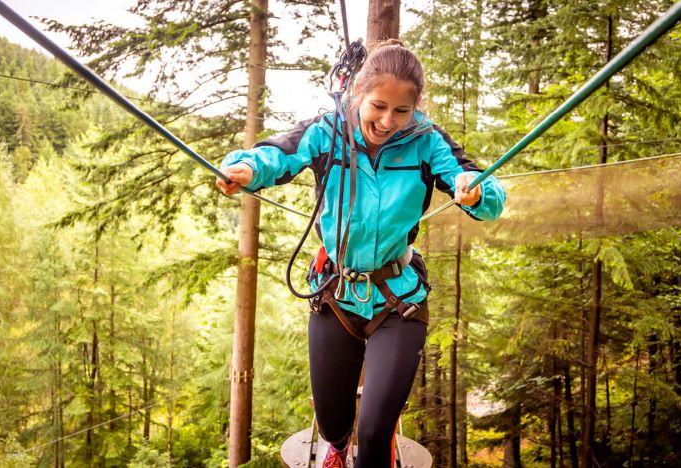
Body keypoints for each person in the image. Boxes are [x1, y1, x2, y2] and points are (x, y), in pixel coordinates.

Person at [216, 39, 505, 468]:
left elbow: (479, 183)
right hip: (336, 293)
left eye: (401, 111)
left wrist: (477, 191)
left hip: (398, 300)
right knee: (335, 423)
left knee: (373, 432)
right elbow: (276, 155)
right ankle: (335, 446)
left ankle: (375, 449)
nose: (388, 121)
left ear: (416, 108)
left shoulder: (427, 142)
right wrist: (247, 169)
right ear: (357, 94)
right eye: (378, 106)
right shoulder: (327, 131)